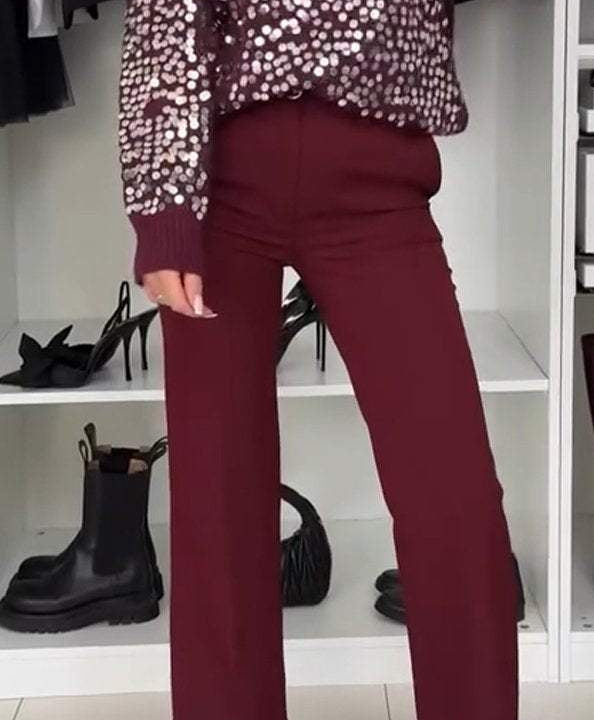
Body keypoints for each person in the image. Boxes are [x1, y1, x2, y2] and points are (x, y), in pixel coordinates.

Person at [117, 1, 519, 719]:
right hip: (221, 184)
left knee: (454, 495)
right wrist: (162, 211)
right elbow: (166, 17)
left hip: (380, 179)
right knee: (217, 500)